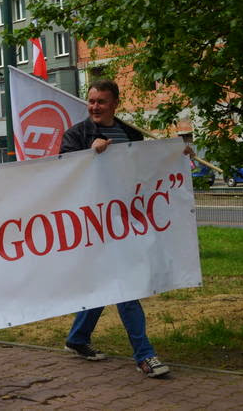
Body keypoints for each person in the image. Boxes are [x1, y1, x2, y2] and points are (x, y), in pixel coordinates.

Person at [60, 78, 170, 378]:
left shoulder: (131, 134)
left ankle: (77, 338)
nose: (95, 107)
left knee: (109, 282)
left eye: (101, 102)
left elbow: (145, 171)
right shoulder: (76, 135)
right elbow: (64, 174)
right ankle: (144, 355)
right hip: (93, 224)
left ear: (115, 104)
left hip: (125, 221)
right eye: (91, 101)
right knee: (125, 284)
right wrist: (88, 155)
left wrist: (176, 158)